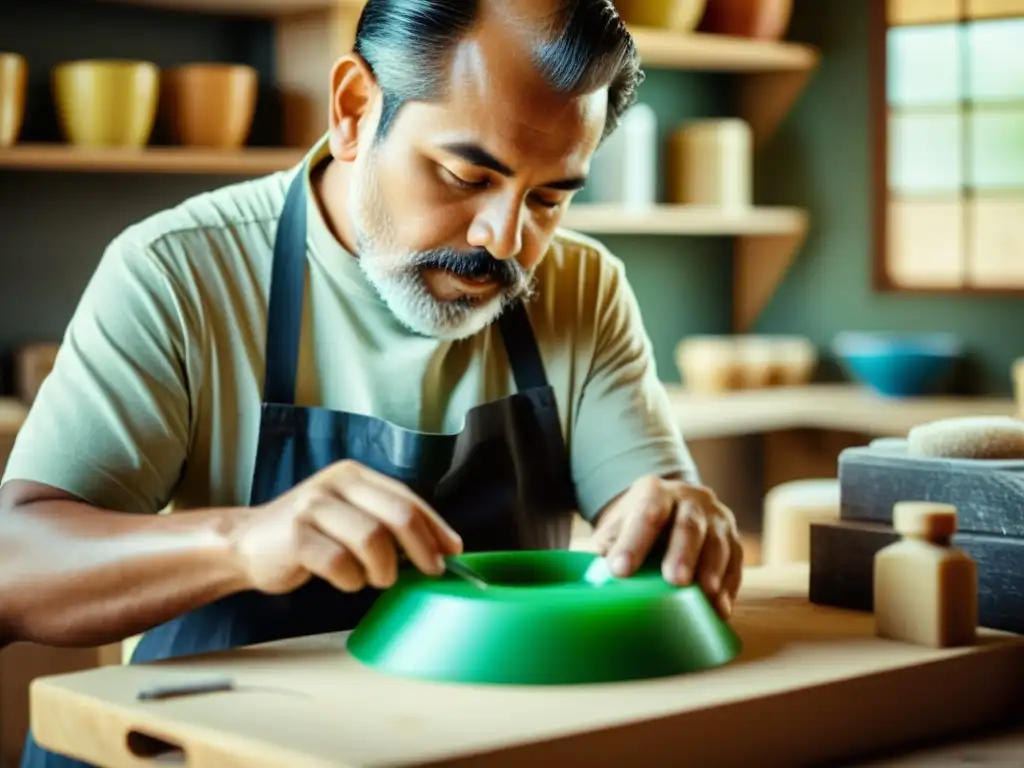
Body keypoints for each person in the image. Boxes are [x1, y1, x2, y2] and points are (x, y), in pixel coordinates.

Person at [1, 0, 743, 765]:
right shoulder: (178, 271)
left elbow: (647, 512)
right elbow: (13, 567)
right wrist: (241, 541)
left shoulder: (585, 289)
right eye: (464, 175)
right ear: (355, 109)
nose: (506, 239)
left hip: (475, 746)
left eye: (550, 197)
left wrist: (674, 522)